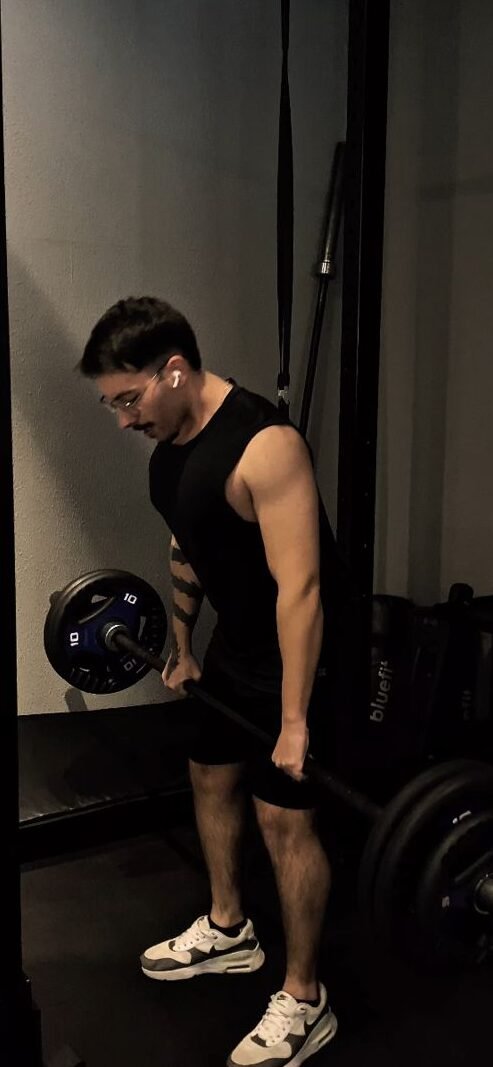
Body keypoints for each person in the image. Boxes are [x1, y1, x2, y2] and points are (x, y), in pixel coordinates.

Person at [80, 296, 350, 1067]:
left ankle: (305, 997)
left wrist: (294, 720)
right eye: (112, 405)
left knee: (282, 819)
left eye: (128, 399)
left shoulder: (266, 447)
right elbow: (189, 544)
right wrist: (183, 643)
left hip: (306, 652)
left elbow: (302, 591)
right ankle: (230, 929)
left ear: (173, 370)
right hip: (237, 646)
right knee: (208, 772)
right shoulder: (168, 453)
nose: (124, 420)